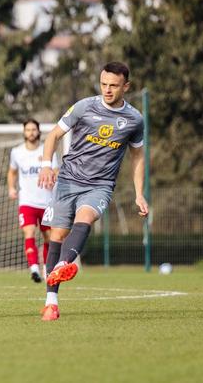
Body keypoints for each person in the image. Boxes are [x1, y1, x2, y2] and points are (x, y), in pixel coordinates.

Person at [37, 61, 149, 321]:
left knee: (85, 218)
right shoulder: (84, 107)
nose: (107, 90)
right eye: (104, 84)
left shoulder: (134, 119)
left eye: (114, 85)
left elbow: (138, 157)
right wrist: (46, 166)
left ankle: (64, 265)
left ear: (126, 86)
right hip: (67, 179)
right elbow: (53, 135)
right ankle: (51, 301)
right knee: (57, 235)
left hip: (99, 185)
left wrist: (139, 193)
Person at [7, 119, 58, 283]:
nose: (30, 132)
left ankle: (47, 268)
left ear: (38, 131)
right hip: (27, 202)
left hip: (47, 201)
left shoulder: (47, 150)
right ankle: (34, 268)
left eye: (33, 129)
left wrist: (53, 178)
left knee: (48, 237)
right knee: (28, 233)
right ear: (24, 132)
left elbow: (55, 170)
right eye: (28, 130)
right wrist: (11, 188)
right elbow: (12, 172)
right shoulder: (17, 152)